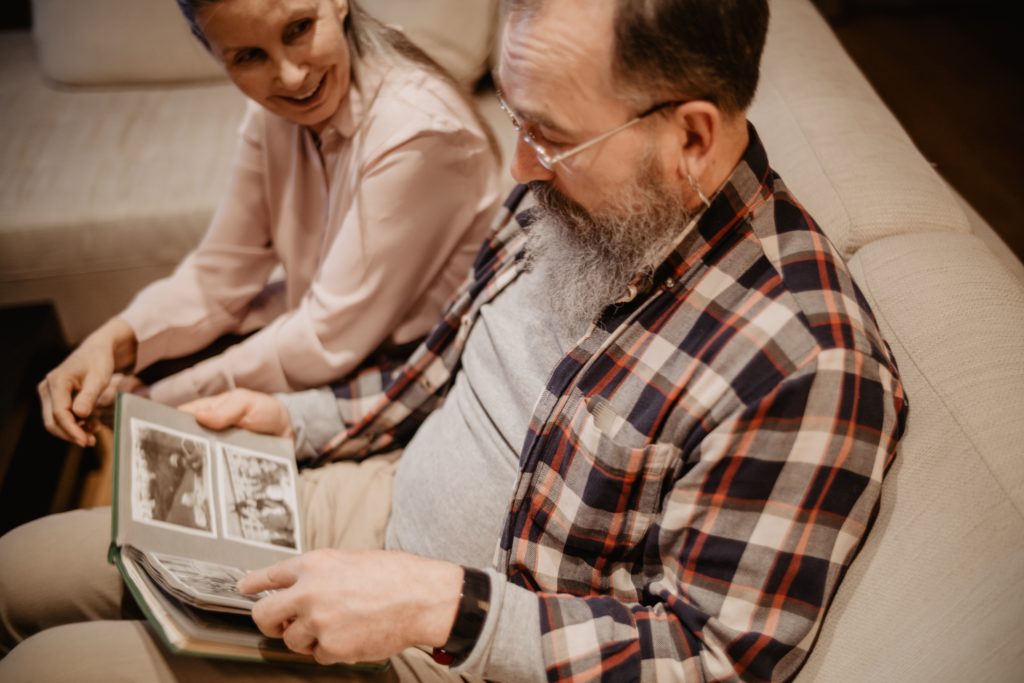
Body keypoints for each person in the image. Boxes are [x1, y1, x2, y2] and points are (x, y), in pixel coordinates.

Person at [0, 1, 909, 681]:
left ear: (692, 138)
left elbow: (708, 658)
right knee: (17, 572)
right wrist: (292, 415)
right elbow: (435, 372)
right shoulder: (574, 196)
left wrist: (439, 604)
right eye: (518, 118)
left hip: (449, 646)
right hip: (370, 505)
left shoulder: (802, 362)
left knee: (48, 668)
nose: (515, 167)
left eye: (546, 134)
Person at [36, 0, 501, 448]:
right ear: (216, 55)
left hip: (411, 364)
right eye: (249, 56)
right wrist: (111, 340)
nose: (292, 77)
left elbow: (325, 338)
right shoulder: (275, 112)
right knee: (151, 367)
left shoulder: (416, 132)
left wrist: (152, 401)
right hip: (338, 330)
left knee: (173, 406)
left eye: (299, 28)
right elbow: (220, 273)